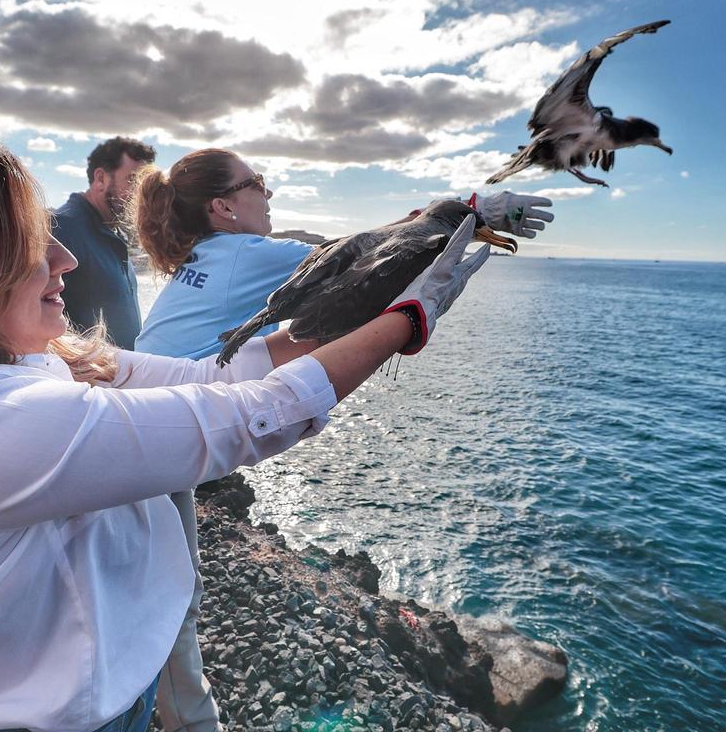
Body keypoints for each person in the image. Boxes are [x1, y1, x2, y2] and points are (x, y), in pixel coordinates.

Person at [0, 130, 490, 732]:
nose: (66, 260)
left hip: (110, 696)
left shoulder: (29, 360)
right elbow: (248, 417)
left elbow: (215, 378)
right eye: (32, 244)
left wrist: (380, 307)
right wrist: (407, 321)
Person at [129, 148, 555, 731]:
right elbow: (368, 252)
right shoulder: (247, 253)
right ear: (224, 206)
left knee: (165, 589)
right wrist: (472, 208)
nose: (269, 194)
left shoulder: (205, 255)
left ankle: (167, 708)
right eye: (258, 183)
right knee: (174, 597)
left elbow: (349, 243)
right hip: (160, 442)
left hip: (144, 423)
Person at [53, 136, 155, 349]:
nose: (141, 192)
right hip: (89, 377)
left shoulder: (114, 229)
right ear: (100, 178)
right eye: (133, 180)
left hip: (124, 375)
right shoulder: (62, 228)